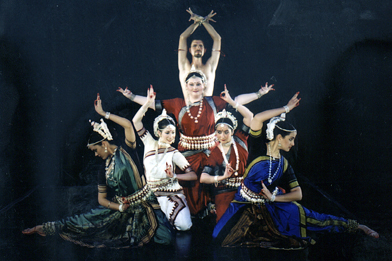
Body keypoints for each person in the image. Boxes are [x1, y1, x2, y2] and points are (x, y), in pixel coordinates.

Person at [212, 92, 379, 249]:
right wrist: (286, 108)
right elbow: (258, 118)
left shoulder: (284, 164)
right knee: (219, 237)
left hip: (271, 206)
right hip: (243, 204)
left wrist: (274, 197)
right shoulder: (257, 148)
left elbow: (298, 194)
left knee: (314, 219)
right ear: (279, 138)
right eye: (290, 139)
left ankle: (358, 227)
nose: (292, 144)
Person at [22, 94, 173, 248]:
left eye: (95, 149)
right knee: (89, 221)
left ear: (104, 144)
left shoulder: (128, 150)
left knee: (165, 237)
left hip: (147, 204)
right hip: (122, 209)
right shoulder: (104, 169)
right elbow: (102, 200)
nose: (95, 154)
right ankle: (48, 228)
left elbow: (128, 124)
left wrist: (104, 114)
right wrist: (119, 207)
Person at [118, 70, 274, 217]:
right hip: (186, 154)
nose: (195, 87)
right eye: (191, 84)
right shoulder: (177, 103)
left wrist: (260, 93)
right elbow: (152, 103)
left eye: (198, 84)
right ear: (186, 86)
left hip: (212, 151)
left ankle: (215, 208)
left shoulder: (213, 101)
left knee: (218, 180)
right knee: (188, 186)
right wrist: (131, 96)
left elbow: (237, 100)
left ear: (204, 85)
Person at [132, 88, 197, 231]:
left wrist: (174, 175)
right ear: (158, 132)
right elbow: (135, 121)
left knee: (185, 226)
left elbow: (192, 175)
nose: (171, 136)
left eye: (173, 133)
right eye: (167, 132)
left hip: (170, 194)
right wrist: (148, 103)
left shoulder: (174, 153)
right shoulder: (148, 141)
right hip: (149, 194)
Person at [200, 90, 253, 222]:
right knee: (226, 226)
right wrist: (222, 177)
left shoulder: (241, 139)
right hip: (224, 193)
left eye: (226, 132)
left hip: (244, 189)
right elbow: (203, 178)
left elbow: (249, 116)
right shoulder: (214, 152)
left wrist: (231, 102)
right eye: (219, 132)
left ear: (233, 131)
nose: (222, 136)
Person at [178, 8, 221, 98]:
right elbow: (182, 37)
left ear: (205, 50)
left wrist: (203, 21)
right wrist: (197, 22)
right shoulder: (184, 66)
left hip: (208, 110)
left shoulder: (210, 66)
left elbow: (217, 39)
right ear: (189, 50)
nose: (198, 47)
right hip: (189, 110)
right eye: (194, 45)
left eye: (200, 46)